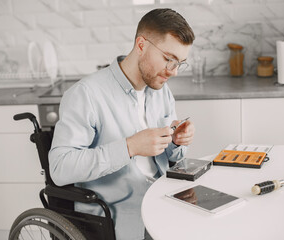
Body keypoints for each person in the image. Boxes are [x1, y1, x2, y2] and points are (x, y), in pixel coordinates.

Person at [49, 8, 195, 240]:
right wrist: (129, 147)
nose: (174, 72)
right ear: (141, 45)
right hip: (120, 214)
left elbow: (170, 159)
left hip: (165, 199)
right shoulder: (86, 94)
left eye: (180, 63)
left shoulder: (161, 90)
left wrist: (176, 142)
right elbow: (59, 169)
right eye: (169, 59)